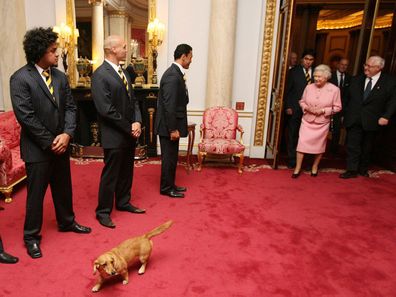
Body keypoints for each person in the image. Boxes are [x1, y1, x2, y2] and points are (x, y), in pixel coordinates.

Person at [10, 27, 91, 259]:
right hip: (38, 149)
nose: (57, 54)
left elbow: (71, 108)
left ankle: (67, 222)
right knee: (36, 196)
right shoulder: (20, 78)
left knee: (64, 188)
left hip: (61, 144)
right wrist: (51, 142)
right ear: (39, 52)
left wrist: (66, 134)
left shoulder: (59, 76)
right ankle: (31, 237)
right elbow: (26, 117)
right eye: (53, 51)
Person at [91, 35, 145, 229]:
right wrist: (128, 126)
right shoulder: (100, 75)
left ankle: (123, 202)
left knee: (126, 171)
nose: (126, 49)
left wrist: (137, 121)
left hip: (129, 132)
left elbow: (134, 101)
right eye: (123, 47)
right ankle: (103, 212)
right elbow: (105, 109)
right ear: (112, 50)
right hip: (114, 134)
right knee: (111, 175)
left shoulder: (125, 72)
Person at [340, 56, 396, 179]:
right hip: (354, 118)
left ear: (379, 68)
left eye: (369, 66)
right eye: (365, 65)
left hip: (373, 120)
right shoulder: (356, 79)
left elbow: (393, 101)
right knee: (352, 145)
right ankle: (351, 170)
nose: (366, 68)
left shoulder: (389, 81)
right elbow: (346, 98)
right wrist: (344, 114)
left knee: (367, 147)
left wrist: (386, 116)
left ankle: (363, 169)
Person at [154, 44, 193, 198]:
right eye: (190, 57)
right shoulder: (172, 76)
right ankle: (166, 188)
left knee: (172, 157)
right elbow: (169, 106)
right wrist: (172, 129)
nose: (191, 61)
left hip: (171, 125)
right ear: (183, 57)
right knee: (169, 158)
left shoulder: (177, 73)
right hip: (168, 127)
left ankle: (171, 184)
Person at [292, 64, 342, 178]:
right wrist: (307, 108)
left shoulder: (334, 90)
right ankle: (297, 168)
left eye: (320, 77)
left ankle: (315, 167)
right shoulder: (309, 87)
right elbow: (302, 101)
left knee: (319, 146)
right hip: (307, 121)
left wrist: (324, 110)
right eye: (315, 76)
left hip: (322, 123)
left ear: (326, 77)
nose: (316, 79)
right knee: (301, 144)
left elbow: (338, 107)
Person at [284, 49, 315, 168]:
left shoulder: (317, 72)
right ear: (302, 59)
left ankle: (305, 161)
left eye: (311, 60)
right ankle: (292, 160)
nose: (308, 62)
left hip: (311, 110)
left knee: (307, 136)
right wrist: (288, 106)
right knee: (293, 134)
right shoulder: (294, 72)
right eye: (306, 59)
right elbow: (288, 90)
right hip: (295, 108)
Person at [329, 58, 351, 154]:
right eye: (342, 64)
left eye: (346, 65)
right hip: (327, 107)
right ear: (338, 64)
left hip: (340, 109)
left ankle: (333, 151)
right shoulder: (330, 76)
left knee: (336, 131)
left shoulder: (350, 78)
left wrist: (344, 111)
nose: (343, 66)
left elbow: (348, 96)